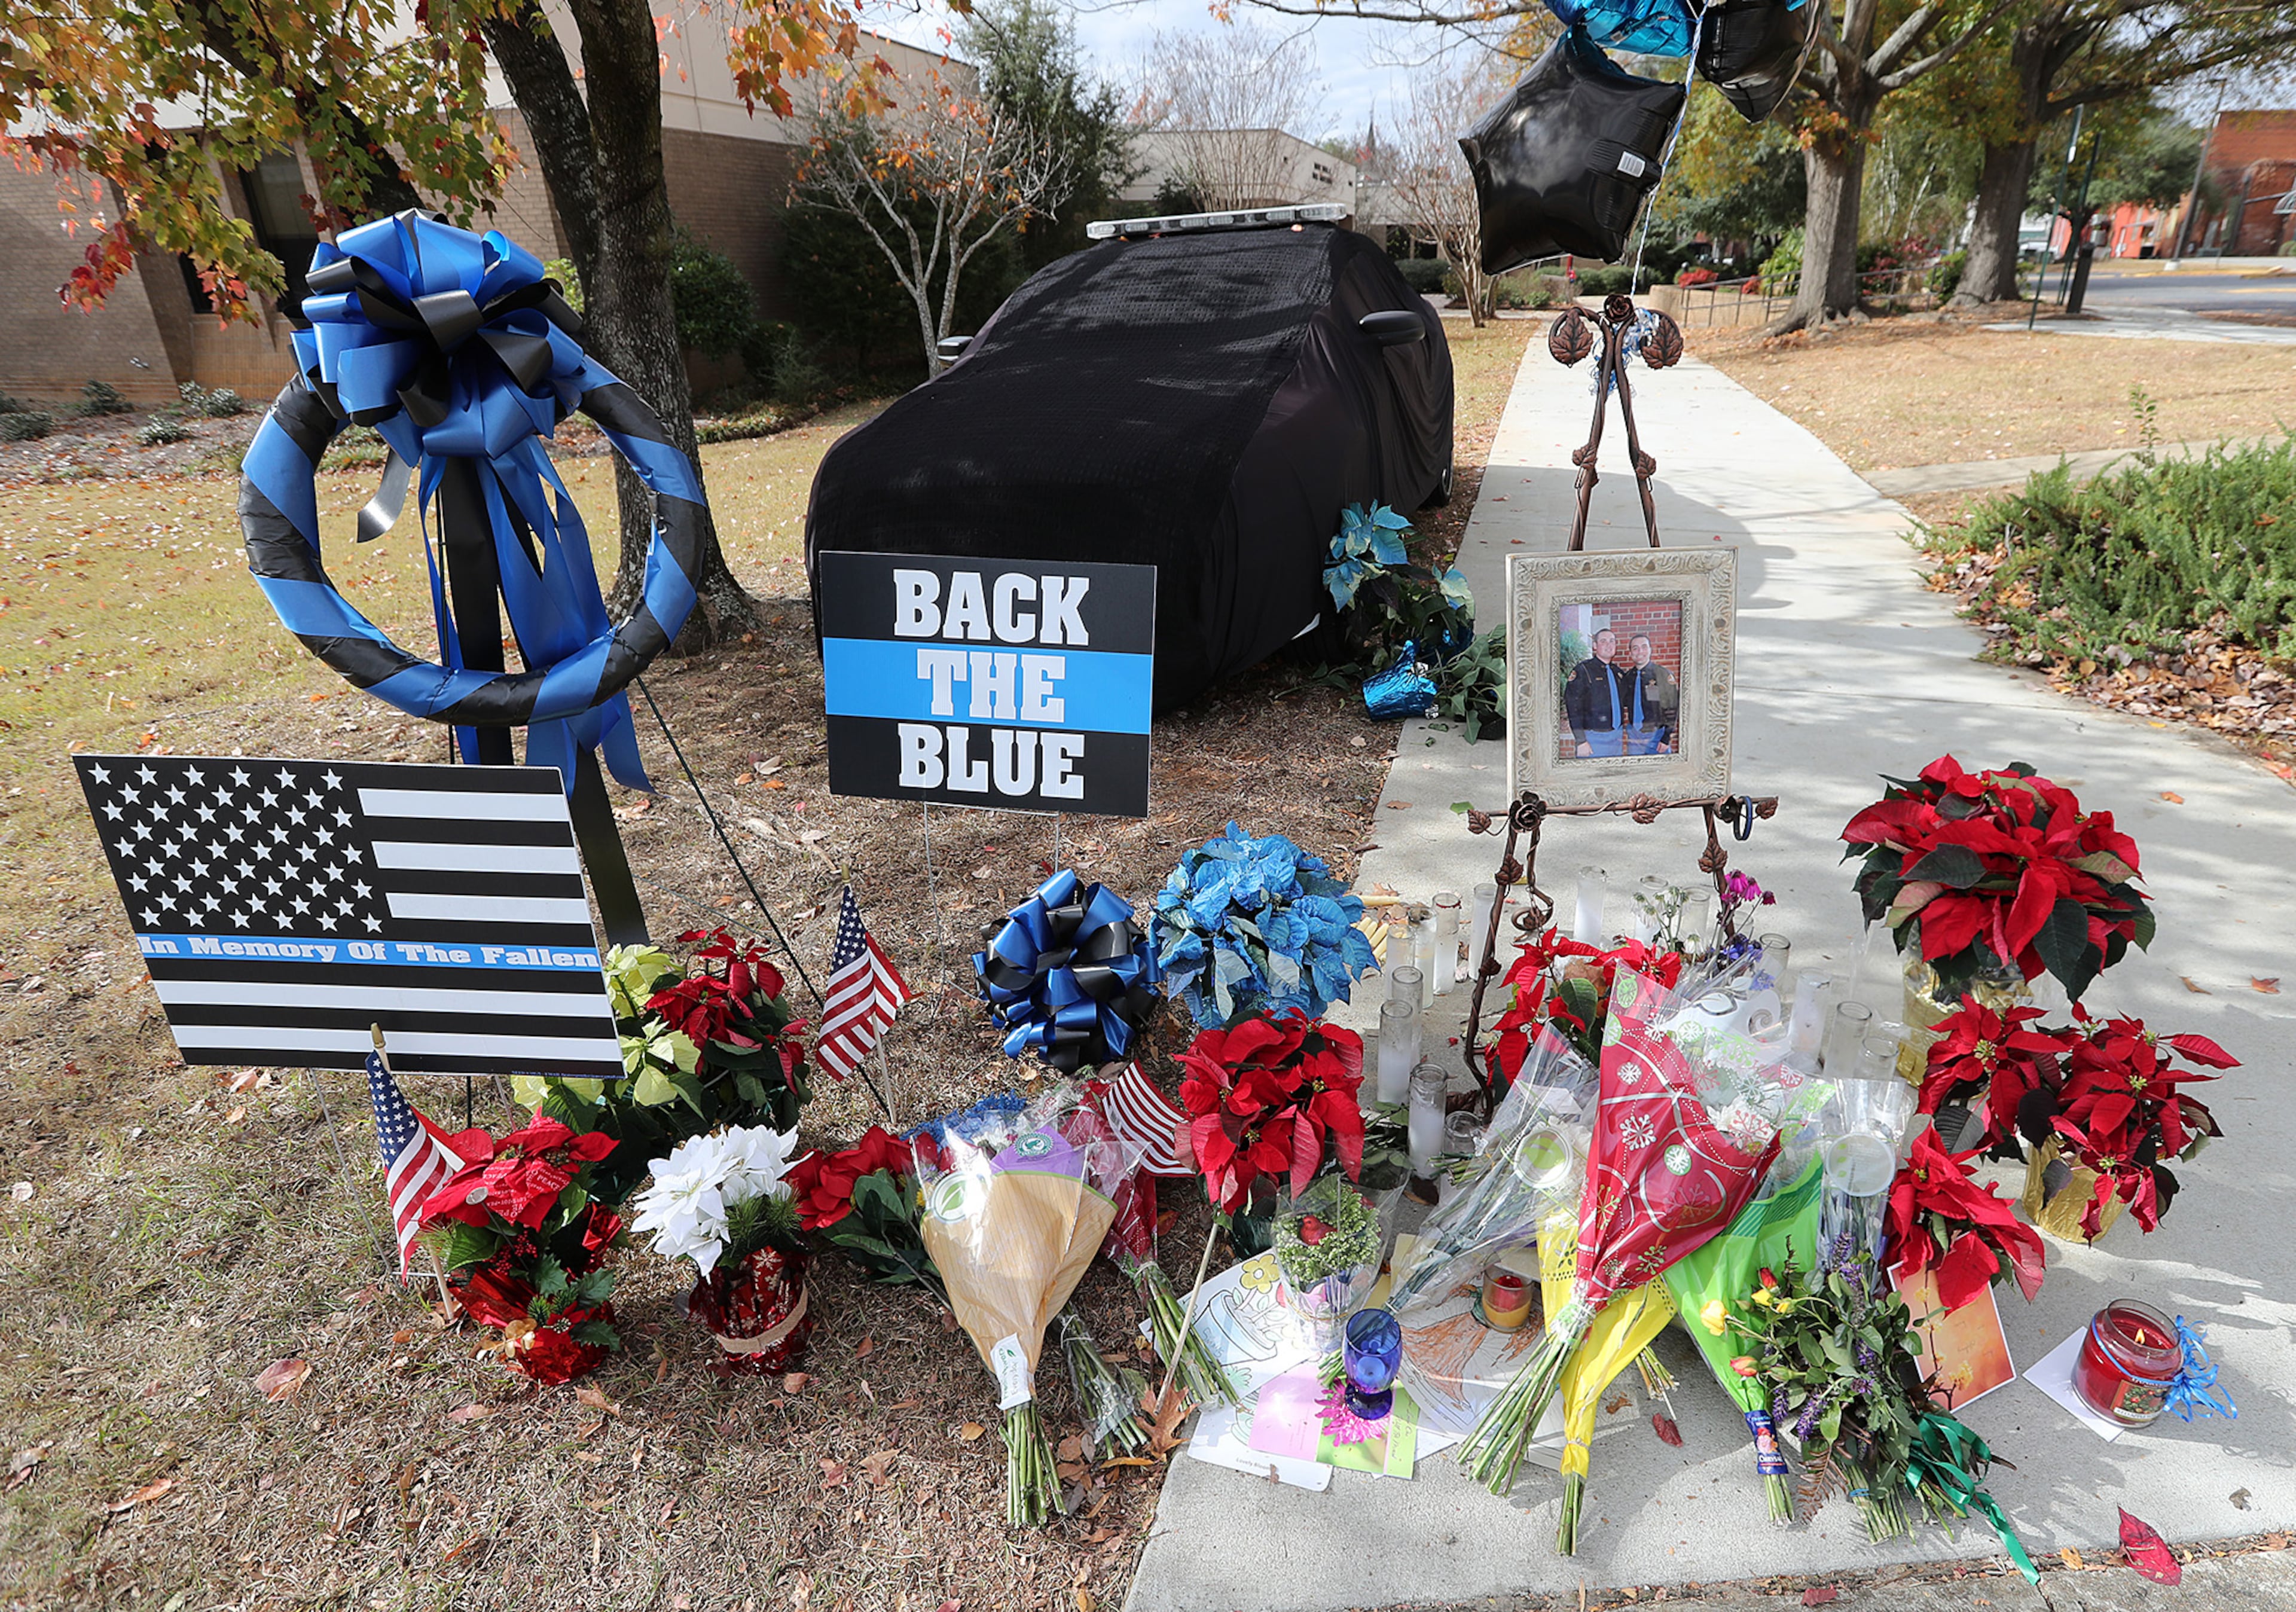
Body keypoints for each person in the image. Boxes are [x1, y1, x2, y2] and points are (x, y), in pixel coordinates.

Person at [1561, 628, 1643, 758]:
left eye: (1612, 641)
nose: (1609, 645)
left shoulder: (1618, 674)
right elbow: (1573, 708)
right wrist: (1581, 741)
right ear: (1595, 646)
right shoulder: (1583, 671)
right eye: (1603, 641)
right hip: (1593, 739)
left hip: (1617, 738)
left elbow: (1629, 701)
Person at [1625, 633, 1678, 755]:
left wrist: (1666, 738)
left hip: (1657, 736)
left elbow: (1673, 709)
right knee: (1635, 772)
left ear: (1650, 650)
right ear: (1631, 653)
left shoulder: (1663, 675)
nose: (1640, 651)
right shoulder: (1628, 678)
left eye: (1644, 647)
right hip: (1634, 737)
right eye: (1635, 648)